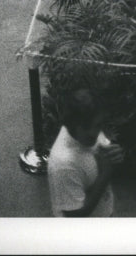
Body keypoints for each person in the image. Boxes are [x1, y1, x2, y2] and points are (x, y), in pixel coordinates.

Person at [48, 89, 123, 217]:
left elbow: (105, 162)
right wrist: (105, 173)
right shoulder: (63, 166)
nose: (100, 131)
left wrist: (115, 157)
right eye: (97, 126)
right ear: (78, 126)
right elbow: (76, 216)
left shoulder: (89, 130)